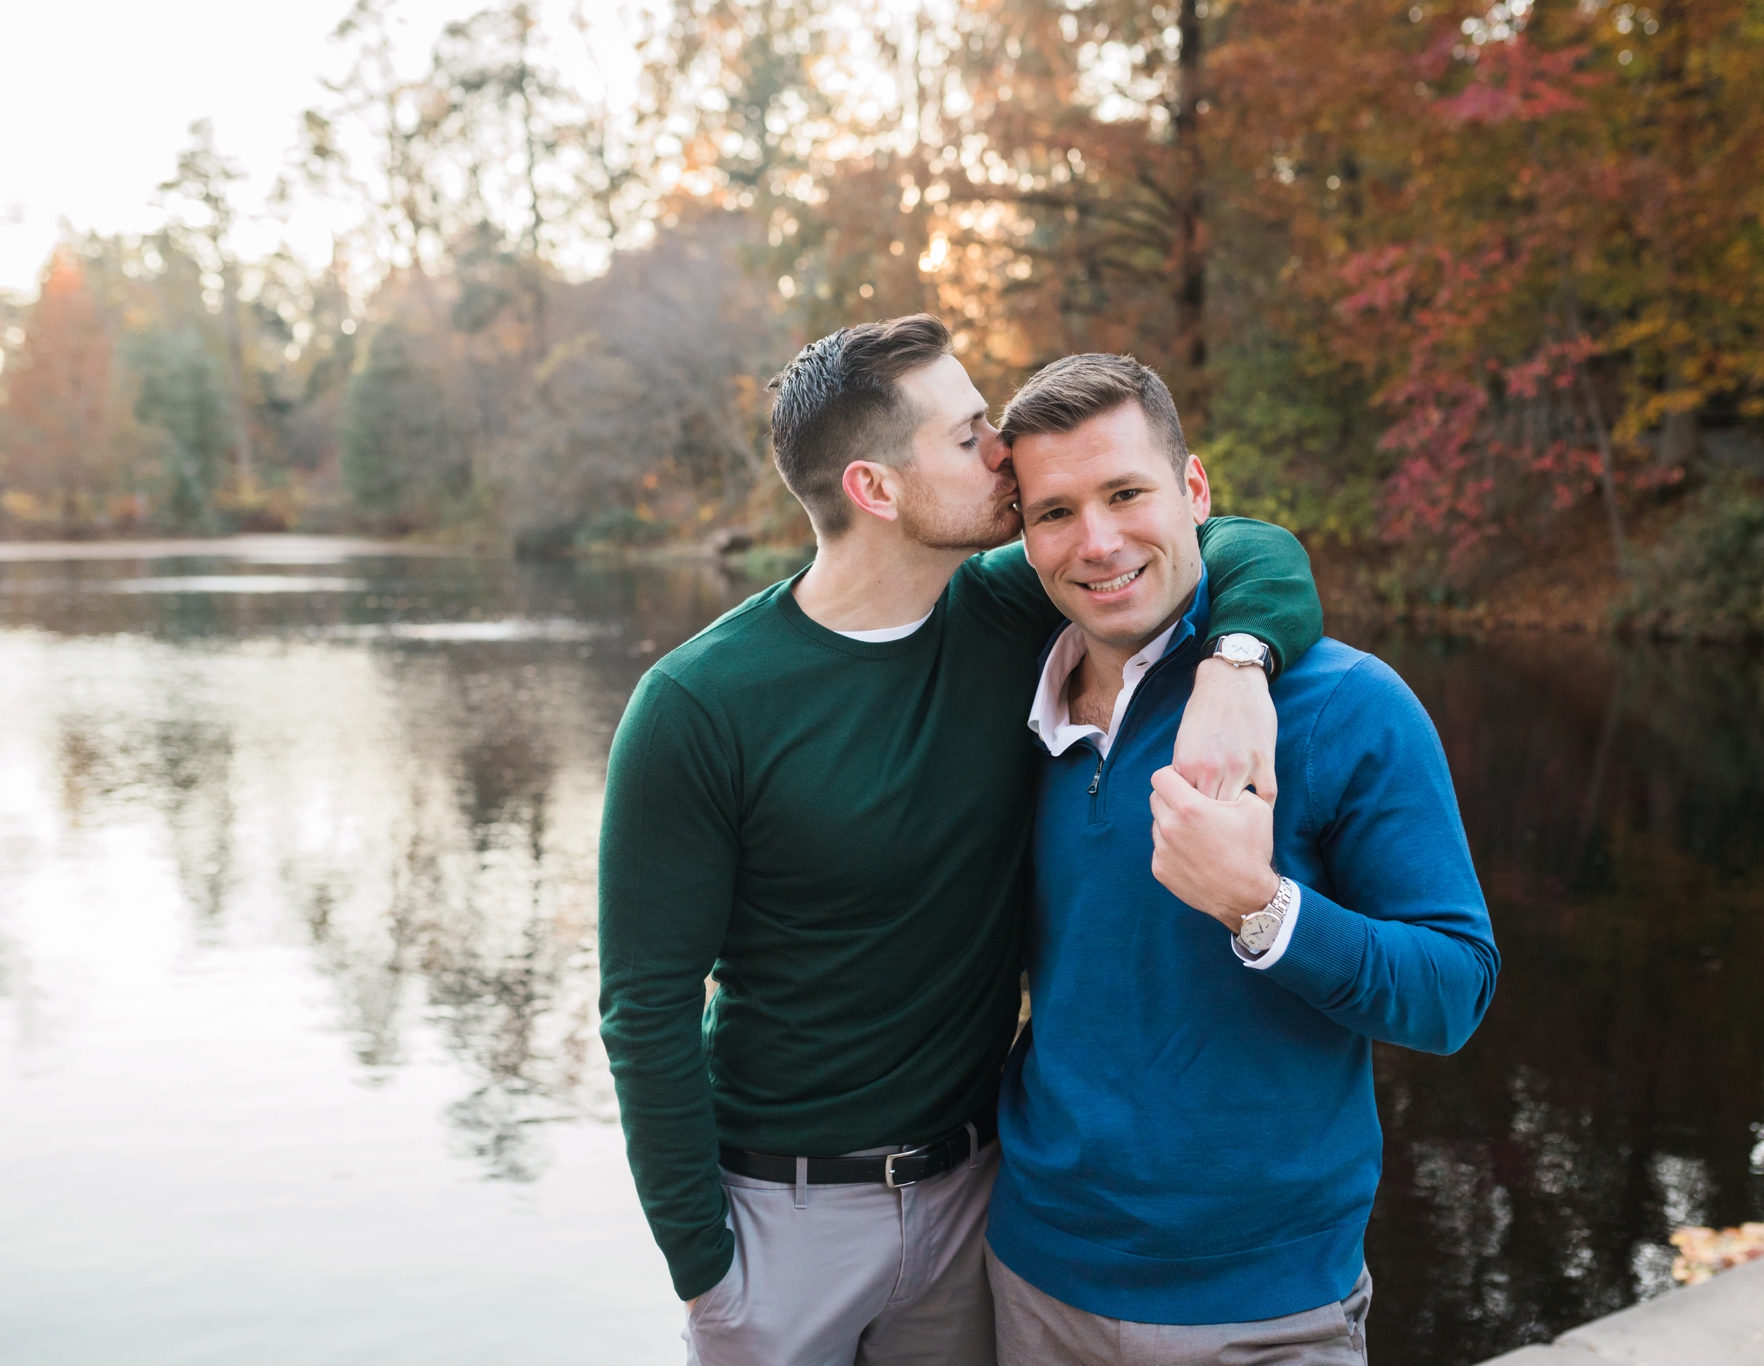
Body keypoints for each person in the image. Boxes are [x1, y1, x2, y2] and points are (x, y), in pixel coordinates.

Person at [597, 315, 1324, 1366]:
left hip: (978, 1199)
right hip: (781, 1219)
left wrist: (1234, 662)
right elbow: (644, 1008)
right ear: (875, 489)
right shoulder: (696, 707)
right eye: (970, 434)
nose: (1004, 456)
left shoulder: (996, 613)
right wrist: (704, 1269)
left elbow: (1243, 543)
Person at [986, 353, 1499, 1364]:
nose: (1096, 541)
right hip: (1034, 1277)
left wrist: (1262, 910)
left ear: (1195, 492)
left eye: (1126, 493)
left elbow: (1452, 991)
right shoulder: (1005, 699)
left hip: (1264, 1306)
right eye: (1054, 512)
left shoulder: (1343, 706)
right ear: (1024, 534)